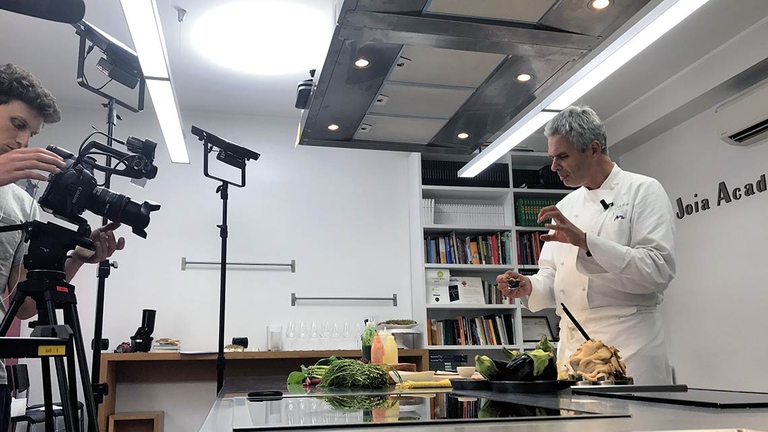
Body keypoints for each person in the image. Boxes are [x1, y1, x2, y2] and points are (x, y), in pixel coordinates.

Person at [496, 105, 676, 384]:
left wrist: (586, 243)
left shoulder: (643, 191)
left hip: (629, 343)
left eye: (562, 156)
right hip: (573, 345)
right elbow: (552, 276)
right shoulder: (567, 205)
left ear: (593, 149)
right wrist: (530, 286)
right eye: (552, 157)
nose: (554, 167)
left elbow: (658, 269)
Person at [0, 63, 125, 430]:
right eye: (17, 124)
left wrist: (72, 262)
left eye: (32, 133)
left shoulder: (22, 205)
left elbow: (23, 307)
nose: (23, 141)